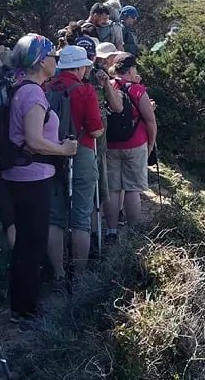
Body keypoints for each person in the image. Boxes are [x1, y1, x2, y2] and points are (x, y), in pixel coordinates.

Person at [3, 34, 77, 320]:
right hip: (32, 176)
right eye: (51, 56)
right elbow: (33, 139)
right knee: (32, 242)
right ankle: (25, 309)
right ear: (39, 61)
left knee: (27, 241)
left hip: (20, 174)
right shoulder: (33, 93)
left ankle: (22, 304)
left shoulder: (21, 88)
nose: (55, 61)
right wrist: (64, 150)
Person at [43, 45, 103, 282]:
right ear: (79, 67)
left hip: (51, 154)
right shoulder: (85, 91)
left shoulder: (46, 87)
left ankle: (57, 275)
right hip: (82, 153)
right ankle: (79, 276)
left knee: (54, 218)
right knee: (80, 217)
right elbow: (96, 130)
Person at [74, 37, 122, 252]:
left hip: (91, 145)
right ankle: (90, 239)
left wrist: (106, 85)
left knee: (95, 191)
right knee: (93, 191)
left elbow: (117, 107)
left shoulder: (97, 76)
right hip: (89, 142)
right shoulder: (74, 79)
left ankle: (92, 236)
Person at [105, 54, 157, 240]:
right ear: (131, 70)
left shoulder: (107, 87)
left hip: (110, 145)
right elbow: (150, 121)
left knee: (113, 189)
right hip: (135, 144)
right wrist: (150, 145)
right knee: (132, 189)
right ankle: (134, 233)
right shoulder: (137, 90)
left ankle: (111, 231)